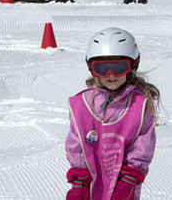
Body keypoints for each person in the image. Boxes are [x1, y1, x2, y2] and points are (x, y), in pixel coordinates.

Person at [66, 27, 159, 200]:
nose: (110, 75)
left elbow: (144, 144)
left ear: (132, 65)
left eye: (118, 67)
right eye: (102, 69)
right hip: (91, 182)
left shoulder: (140, 104)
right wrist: (79, 181)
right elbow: (76, 143)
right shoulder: (82, 105)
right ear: (91, 68)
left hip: (123, 184)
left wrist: (130, 179)